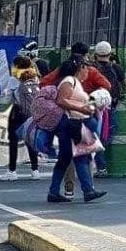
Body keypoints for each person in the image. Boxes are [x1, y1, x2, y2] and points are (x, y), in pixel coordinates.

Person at [47, 58, 106, 204]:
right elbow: (61, 100)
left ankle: (57, 192)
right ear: (80, 67)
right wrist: (81, 108)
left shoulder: (75, 82)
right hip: (70, 124)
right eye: (87, 68)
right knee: (77, 157)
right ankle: (86, 191)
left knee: (69, 158)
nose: (88, 71)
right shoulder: (69, 80)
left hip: (74, 124)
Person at [91, 41, 124, 177]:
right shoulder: (116, 68)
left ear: (95, 55)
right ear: (110, 54)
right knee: (108, 135)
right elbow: (122, 85)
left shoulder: (91, 68)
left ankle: (101, 167)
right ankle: (110, 164)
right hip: (111, 107)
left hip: (94, 107)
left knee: (95, 137)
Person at [5, 56, 40, 180]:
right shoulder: (35, 77)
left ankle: (12, 171)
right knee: (31, 140)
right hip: (33, 114)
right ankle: (35, 170)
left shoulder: (13, 79)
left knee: (13, 141)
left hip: (18, 113)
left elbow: (8, 99)